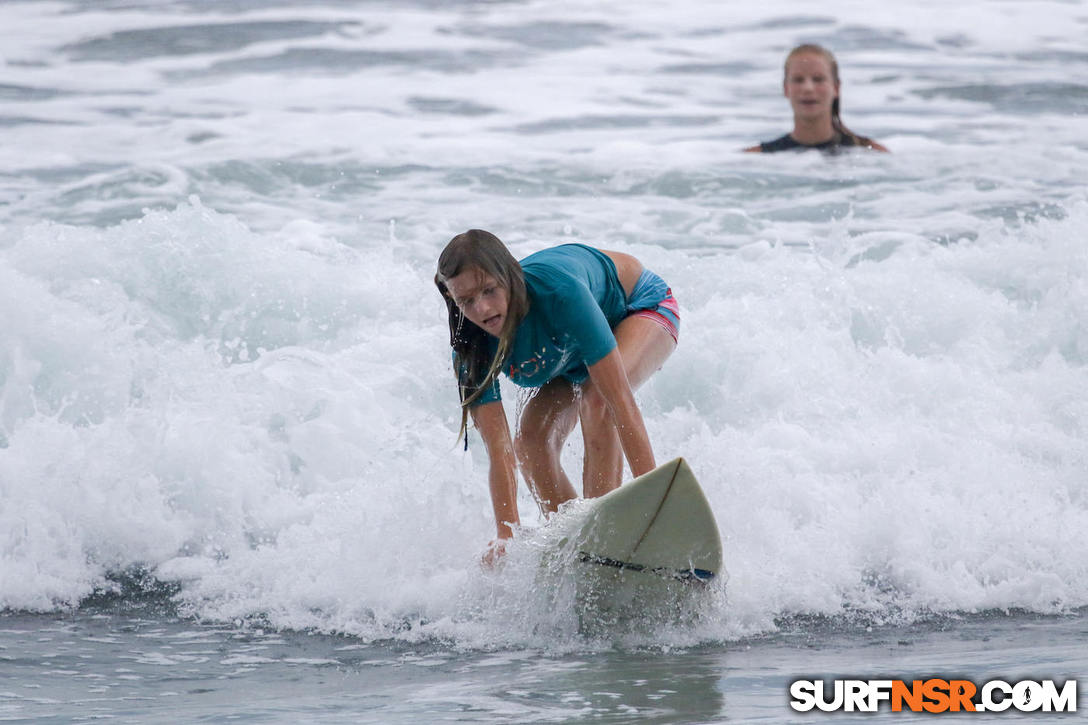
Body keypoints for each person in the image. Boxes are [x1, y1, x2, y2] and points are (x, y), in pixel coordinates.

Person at [434, 230, 679, 562]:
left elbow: (619, 402)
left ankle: (604, 534)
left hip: (638, 308)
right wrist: (506, 535)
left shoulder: (559, 292)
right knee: (531, 441)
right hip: (574, 351)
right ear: (452, 298)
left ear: (509, 275)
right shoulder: (470, 349)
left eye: (490, 290)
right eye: (466, 301)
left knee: (598, 401)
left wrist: (658, 504)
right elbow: (500, 449)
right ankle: (577, 546)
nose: (483, 309)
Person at [746, 44, 889, 153]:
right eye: (798, 80)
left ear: (836, 88)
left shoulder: (871, 153)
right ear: (785, 89)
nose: (808, 88)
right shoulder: (757, 158)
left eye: (818, 79)